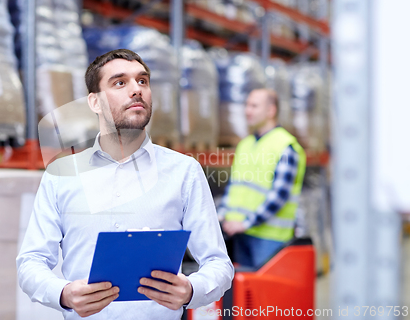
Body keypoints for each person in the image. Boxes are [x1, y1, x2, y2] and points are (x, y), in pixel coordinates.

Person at [17, 49, 233, 319]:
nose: (136, 90)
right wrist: (63, 294)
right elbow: (31, 262)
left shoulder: (184, 172)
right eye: (120, 82)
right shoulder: (61, 175)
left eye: (142, 81)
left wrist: (192, 290)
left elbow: (219, 264)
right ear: (95, 102)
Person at [218, 88, 307, 268]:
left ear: (271, 110)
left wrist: (246, 223)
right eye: (247, 105)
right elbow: (235, 187)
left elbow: (279, 196)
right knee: (243, 292)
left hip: (270, 238)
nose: (247, 111)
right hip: (240, 234)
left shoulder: (285, 145)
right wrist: (222, 217)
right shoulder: (245, 144)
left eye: (254, 106)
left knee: (266, 294)